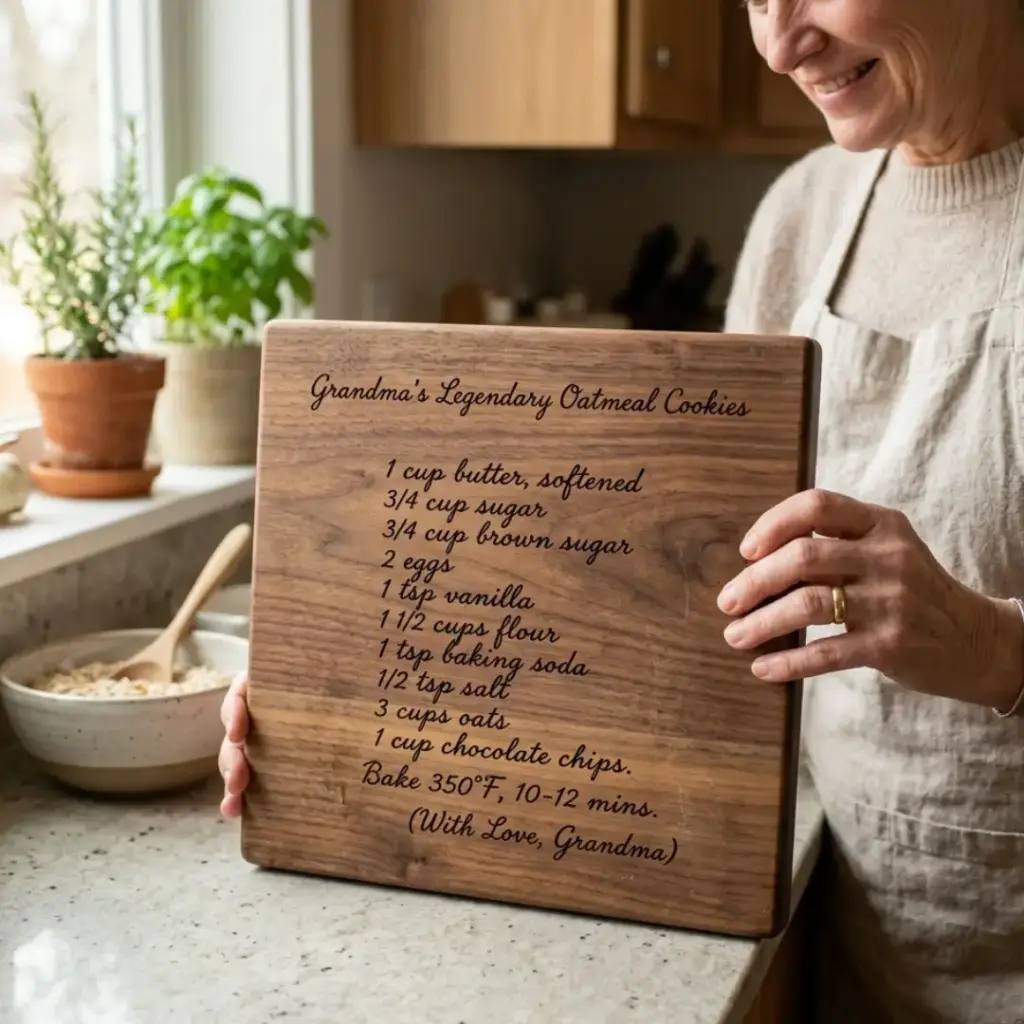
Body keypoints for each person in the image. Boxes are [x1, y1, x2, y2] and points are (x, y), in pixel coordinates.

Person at [219, 1, 1024, 1019]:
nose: (778, 45)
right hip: (847, 928)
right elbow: (674, 608)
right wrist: (342, 689)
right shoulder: (802, 216)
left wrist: (993, 646)